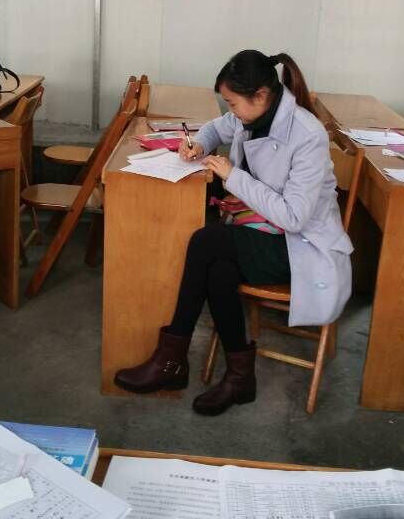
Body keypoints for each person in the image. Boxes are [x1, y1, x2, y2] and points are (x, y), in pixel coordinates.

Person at [113, 50, 353, 415]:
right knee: (219, 271)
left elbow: (293, 218)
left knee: (206, 241)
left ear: (260, 95)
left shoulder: (307, 136)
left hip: (299, 247)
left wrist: (233, 176)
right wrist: (200, 144)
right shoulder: (251, 115)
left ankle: (172, 360)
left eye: (233, 103)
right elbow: (216, 128)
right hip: (260, 228)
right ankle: (239, 378)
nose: (231, 111)